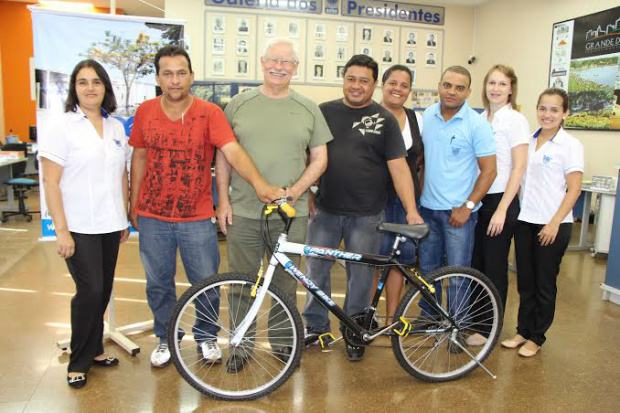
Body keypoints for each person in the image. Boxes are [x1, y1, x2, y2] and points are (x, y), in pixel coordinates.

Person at [129, 45, 280, 368]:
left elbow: (232, 150)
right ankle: (165, 337)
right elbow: (139, 157)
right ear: (158, 78)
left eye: (181, 73)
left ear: (192, 77)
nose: (174, 80)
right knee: (158, 283)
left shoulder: (209, 112)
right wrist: (133, 202)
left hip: (197, 217)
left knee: (206, 283)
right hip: (153, 216)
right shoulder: (145, 111)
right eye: (167, 73)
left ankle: (207, 336)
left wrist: (260, 184)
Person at [216, 37, 333, 371]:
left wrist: (296, 191)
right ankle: (241, 344)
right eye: (274, 60)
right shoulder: (239, 104)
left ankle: (283, 343)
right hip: (244, 211)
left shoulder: (308, 108)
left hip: (289, 214)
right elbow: (224, 156)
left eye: (287, 62)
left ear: (296, 68)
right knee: (242, 282)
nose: (279, 67)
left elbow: (320, 158)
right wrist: (222, 200)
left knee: (284, 281)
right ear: (262, 62)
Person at [303, 55, 423, 361]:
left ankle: (355, 330)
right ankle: (315, 326)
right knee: (316, 270)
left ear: (374, 84)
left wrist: (411, 210)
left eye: (364, 80)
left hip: (367, 215)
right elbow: (310, 157)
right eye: (351, 79)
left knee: (360, 277)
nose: (356, 86)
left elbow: (399, 168)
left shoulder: (384, 119)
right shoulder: (323, 112)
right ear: (344, 79)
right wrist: (307, 191)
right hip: (326, 211)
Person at [39, 59, 130, 389]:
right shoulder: (62, 125)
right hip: (77, 224)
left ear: (105, 87)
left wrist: (124, 217)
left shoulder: (116, 127)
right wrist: (61, 230)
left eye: (96, 81)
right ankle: (78, 360)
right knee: (89, 291)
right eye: (82, 82)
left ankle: (94, 350)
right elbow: (51, 182)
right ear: (73, 88)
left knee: (103, 290)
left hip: (110, 222)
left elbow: (121, 174)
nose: (90, 88)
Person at [502, 88, 583, 357]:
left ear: (565, 113)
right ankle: (523, 330)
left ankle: (537, 337)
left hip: (553, 225)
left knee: (544, 283)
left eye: (554, 110)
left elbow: (574, 189)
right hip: (526, 221)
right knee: (525, 281)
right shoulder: (528, 140)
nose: (547, 115)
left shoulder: (570, 145)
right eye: (543, 108)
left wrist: (554, 223)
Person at [418, 66, 496, 341]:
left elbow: (489, 171)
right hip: (427, 209)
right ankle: (429, 318)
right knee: (428, 272)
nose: (452, 91)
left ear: (469, 92)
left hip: (457, 216)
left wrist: (468, 207)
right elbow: (423, 160)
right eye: (447, 85)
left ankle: (458, 328)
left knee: (459, 276)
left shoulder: (477, 125)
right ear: (439, 85)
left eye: (459, 87)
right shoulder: (427, 116)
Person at [468, 65, 529, 346]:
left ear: (511, 89)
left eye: (502, 84)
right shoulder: (481, 118)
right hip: (478, 200)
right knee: (476, 264)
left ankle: (489, 327)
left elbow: (518, 168)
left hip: (500, 201)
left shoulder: (515, 120)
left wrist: (503, 209)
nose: (495, 88)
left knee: (493, 266)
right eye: (491, 82)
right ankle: (474, 321)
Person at [373, 65, 424, 325]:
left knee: (399, 262)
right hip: (375, 201)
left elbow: (419, 159)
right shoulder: (370, 115)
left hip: (405, 203)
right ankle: (367, 317)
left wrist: (415, 202)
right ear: (382, 84)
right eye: (393, 83)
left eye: (404, 85)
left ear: (409, 91)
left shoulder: (416, 119)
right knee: (373, 260)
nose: (398, 89)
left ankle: (391, 320)